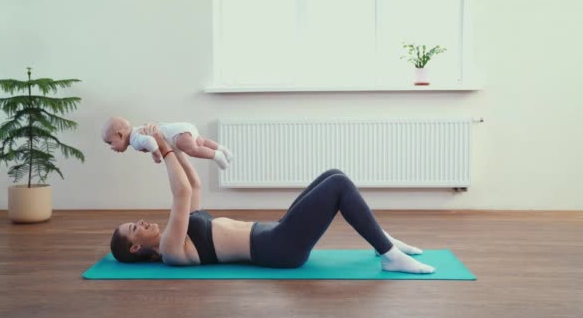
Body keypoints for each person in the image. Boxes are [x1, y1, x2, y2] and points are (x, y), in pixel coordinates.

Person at [110, 124, 435, 274]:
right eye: (133, 229)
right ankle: (389, 255)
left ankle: (381, 238)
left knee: (332, 173)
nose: (140, 222)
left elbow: (192, 186)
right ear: (136, 248)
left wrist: (173, 146)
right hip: (279, 248)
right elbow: (179, 193)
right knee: (339, 185)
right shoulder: (170, 249)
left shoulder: (177, 234)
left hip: (275, 233)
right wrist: (161, 147)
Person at [101, 116, 233, 169]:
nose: (111, 148)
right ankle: (224, 150)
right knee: (202, 141)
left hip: (177, 135)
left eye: (110, 143)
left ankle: (217, 156)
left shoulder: (134, 140)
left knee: (194, 150)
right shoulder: (137, 130)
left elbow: (149, 140)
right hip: (182, 127)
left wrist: (155, 154)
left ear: (120, 135)